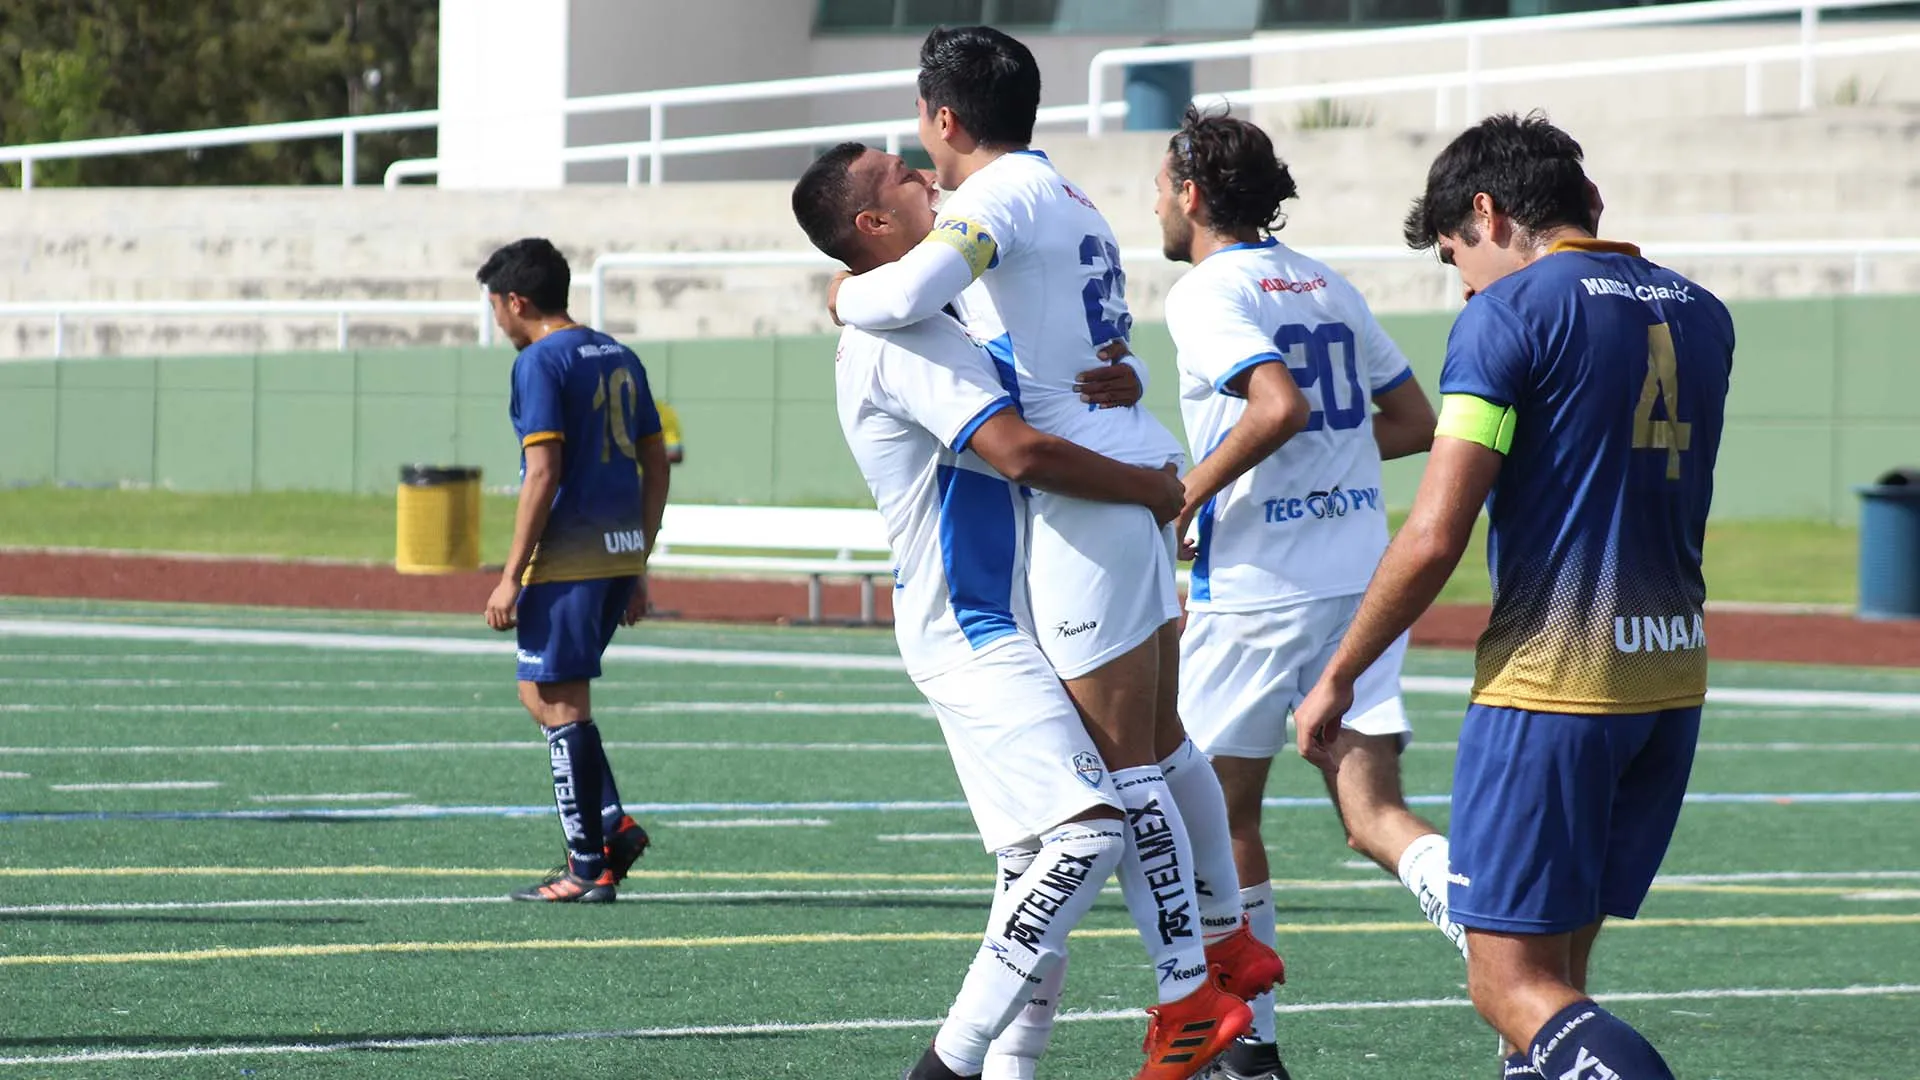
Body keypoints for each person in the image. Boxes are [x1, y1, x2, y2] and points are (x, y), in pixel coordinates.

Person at [828, 29, 1281, 1078]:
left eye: (914, 142)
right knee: (1162, 750)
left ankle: (1185, 996)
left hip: (1084, 505)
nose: (912, 161)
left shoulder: (988, 207)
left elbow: (896, 303)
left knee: (1122, 782)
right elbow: (1065, 347)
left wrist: (841, 293)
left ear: (945, 119)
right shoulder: (1068, 196)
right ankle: (1224, 942)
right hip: (1116, 475)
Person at [1292, 113, 1734, 1079]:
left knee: (1509, 986)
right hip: (1668, 680)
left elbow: (1435, 533)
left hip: (1552, 685)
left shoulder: (1509, 315)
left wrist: (1337, 675)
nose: (1464, 283)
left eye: (1457, 257)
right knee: (1556, 984)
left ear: (1486, 213)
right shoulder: (1703, 311)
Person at [1143, 106, 1462, 1080]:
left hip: (1257, 587)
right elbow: (1412, 419)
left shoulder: (1204, 293)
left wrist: (1184, 496)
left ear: (1193, 194)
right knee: (1373, 819)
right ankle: (1500, 940)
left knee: (1219, 819)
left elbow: (1275, 405)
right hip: (1358, 583)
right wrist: (1327, 459)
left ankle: (1254, 1056)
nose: (1154, 205)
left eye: (1159, 186)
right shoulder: (1327, 283)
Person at [478, 237, 668, 903]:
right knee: (542, 695)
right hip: (613, 554)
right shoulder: (619, 352)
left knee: (559, 703)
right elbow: (655, 461)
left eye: (496, 307)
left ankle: (587, 867)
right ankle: (611, 824)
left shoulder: (540, 363)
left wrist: (511, 574)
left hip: (566, 561)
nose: (498, 321)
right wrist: (637, 559)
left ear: (516, 301)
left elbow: (543, 472)